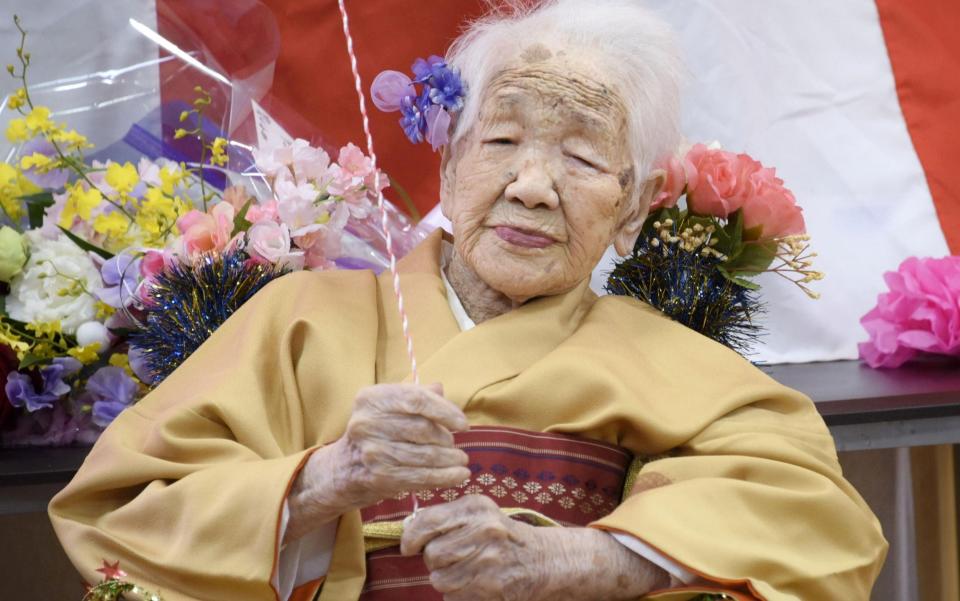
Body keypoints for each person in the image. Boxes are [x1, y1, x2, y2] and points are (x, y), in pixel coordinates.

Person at [49, 1, 887, 600]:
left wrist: (571, 565)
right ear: (448, 164)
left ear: (634, 208)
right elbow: (118, 518)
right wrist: (326, 478)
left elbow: (823, 526)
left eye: (583, 159)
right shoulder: (298, 319)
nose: (532, 186)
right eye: (503, 140)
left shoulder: (680, 363)